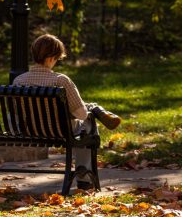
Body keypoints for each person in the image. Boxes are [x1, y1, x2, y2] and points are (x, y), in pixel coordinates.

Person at [12, 33, 121, 191]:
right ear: (50, 58)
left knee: (84, 112)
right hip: (61, 131)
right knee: (88, 121)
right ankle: (84, 179)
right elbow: (81, 115)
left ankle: (95, 107)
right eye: (56, 58)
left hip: (30, 130)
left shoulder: (18, 81)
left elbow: (16, 112)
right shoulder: (60, 81)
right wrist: (85, 111)